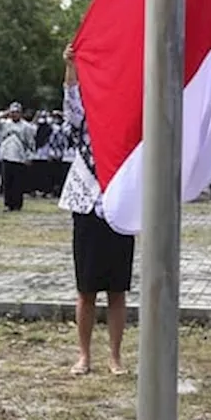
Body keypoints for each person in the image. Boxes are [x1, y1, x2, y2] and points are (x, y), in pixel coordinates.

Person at [59, 43, 135, 376]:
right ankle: (84, 355)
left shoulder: (128, 120)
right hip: (87, 204)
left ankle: (115, 357)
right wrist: (72, 65)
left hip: (120, 205)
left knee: (117, 290)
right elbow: (71, 98)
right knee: (86, 289)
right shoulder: (83, 119)